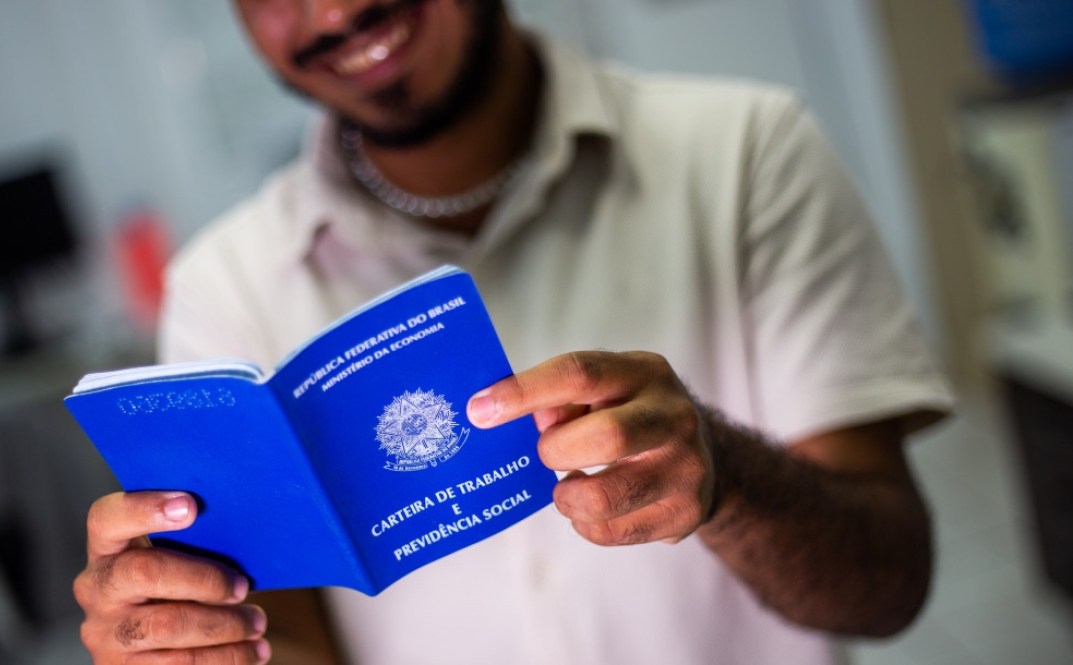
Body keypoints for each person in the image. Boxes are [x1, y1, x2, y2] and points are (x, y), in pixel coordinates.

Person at [73, 1, 954, 663]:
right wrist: (198, 640)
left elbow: (888, 583)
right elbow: (294, 639)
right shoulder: (221, 288)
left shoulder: (747, 151)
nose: (336, 13)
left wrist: (729, 476)